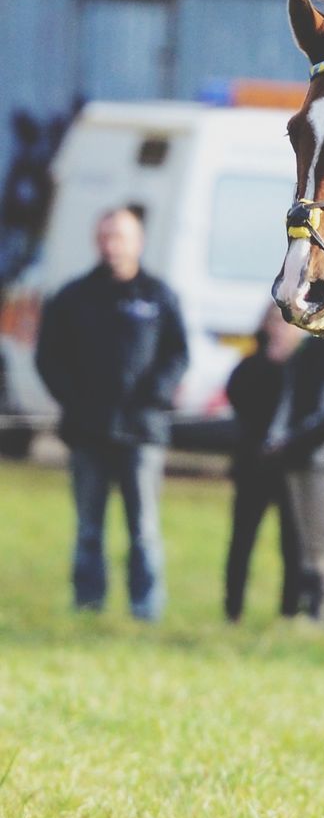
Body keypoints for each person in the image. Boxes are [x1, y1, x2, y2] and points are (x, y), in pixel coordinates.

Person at [35, 205, 188, 619]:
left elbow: (177, 354)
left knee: (144, 530)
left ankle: (146, 608)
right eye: (105, 237)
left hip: (143, 433)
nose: (111, 245)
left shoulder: (158, 295)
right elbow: (48, 358)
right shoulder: (73, 297)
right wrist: (75, 400)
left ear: (137, 242)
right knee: (88, 529)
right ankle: (88, 604)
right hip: (88, 433)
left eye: (119, 237)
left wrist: (153, 394)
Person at [263, 330, 324, 631]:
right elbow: (290, 397)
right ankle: (313, 608)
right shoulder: (303, 350)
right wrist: (280, 438)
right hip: (297, 453)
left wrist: (299, 439)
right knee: (308, 536)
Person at [222, 305, 304, 622]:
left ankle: (289, 609)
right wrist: (267, 363)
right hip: (253, 465)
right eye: (276, 322)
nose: (282, 329)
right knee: (242, 539)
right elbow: (236, 396)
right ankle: (233, 608)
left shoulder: (303, 366)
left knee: (292, 543)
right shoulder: (251, 363)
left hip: (289, 467)